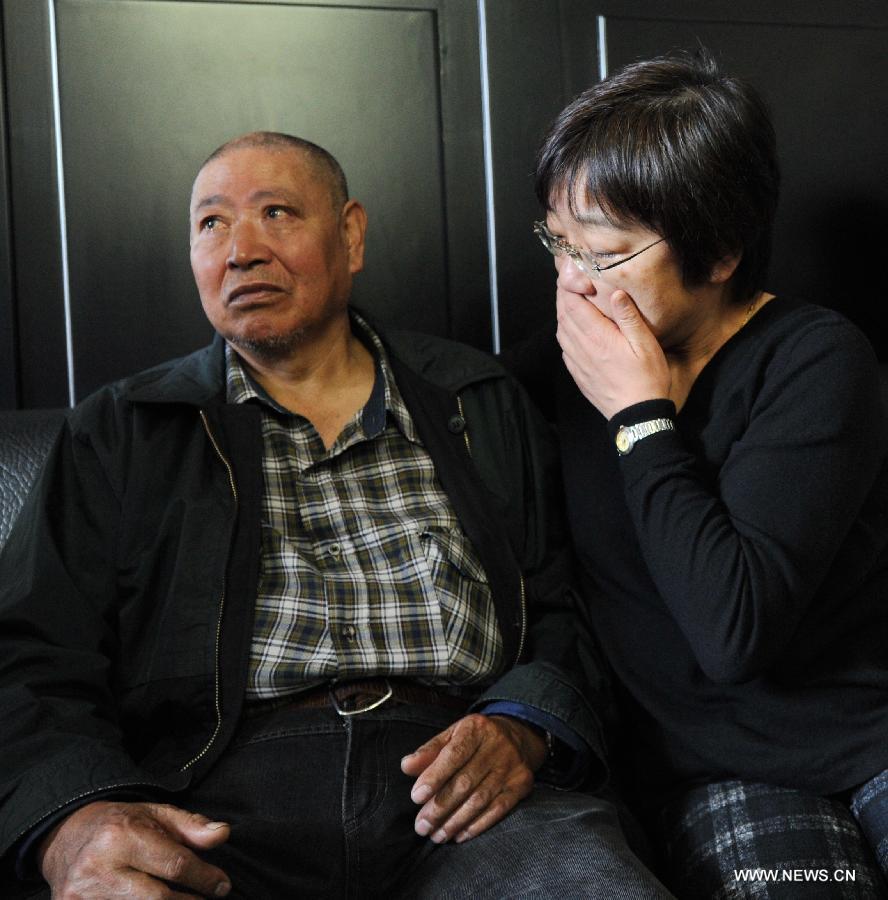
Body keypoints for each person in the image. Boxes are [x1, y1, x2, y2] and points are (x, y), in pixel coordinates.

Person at [0, 131, 673, 898]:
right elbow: (30, 655)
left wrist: (526, 722)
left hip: (467, 796)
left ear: (350, 234)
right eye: (211, 224)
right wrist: (72, 821)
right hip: (215, 806)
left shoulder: (478, 402)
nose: (240, 250)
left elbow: (576, 602)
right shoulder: (124, 429)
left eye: (276, 213)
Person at [521, 49, 888, 897]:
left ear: (719, 250)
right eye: (558, 242)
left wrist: (640, 418)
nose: (572, 284)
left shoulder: (813, 360)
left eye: (604, 255)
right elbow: (726, 650)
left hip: (864, 736)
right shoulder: (558, 367)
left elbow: (736, 620)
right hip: (712, 770)